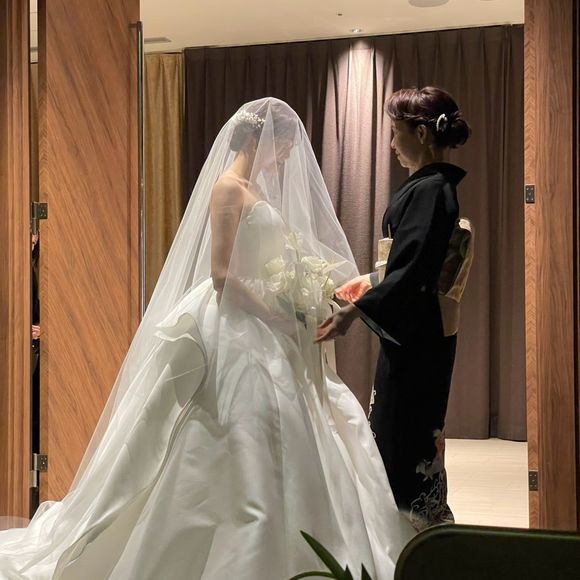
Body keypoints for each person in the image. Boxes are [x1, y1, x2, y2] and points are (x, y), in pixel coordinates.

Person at [0, 98, 413, 579]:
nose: (286, 154)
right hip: (236, 325)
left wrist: (299, 295)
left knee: (294, 428)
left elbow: (263, 262)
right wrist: (274, 313)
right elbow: (221, 274)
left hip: (265, 323)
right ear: (257, 138)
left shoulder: (254, 189)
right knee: (232, 430)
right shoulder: (227, 188)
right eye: (282, 144)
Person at [317, 87, 471, 531]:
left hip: (417, 339)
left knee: (404, 437)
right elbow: (404, 268)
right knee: (407, 435)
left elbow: (412, 269)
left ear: (421, 134)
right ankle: (416, 532)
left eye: (395, 132)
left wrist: (354, 312)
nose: (391, 144)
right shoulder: (433, 188)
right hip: (420, 331)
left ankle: (413, 536)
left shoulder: (432, 190)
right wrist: (361, 289)